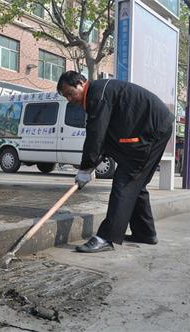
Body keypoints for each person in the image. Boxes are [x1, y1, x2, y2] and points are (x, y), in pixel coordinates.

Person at [57, 71, 174, 253]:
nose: (70, 99)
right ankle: (145, 233)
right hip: (152, 127)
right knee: (136, 183)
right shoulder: (98, 93)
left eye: (70, 93)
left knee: (126, 180)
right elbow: (104, 138)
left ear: (81, 83)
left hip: (152, 129)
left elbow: (96, 135)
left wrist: (86, 167)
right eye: (66, 97)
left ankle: (106, 237)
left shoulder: (97, 94)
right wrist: (90, 166)